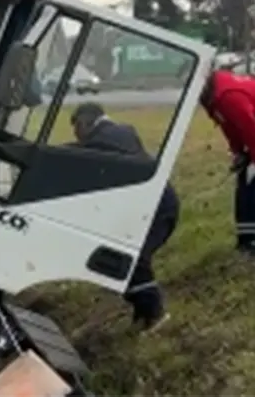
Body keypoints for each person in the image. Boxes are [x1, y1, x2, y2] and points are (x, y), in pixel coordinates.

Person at [69, 102, 178, 332]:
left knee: (132, 258)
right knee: (119, 257)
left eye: (77, 131)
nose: (78, 138)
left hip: (156, 208)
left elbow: (79, 153)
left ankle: (155, 315)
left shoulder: (107, 138)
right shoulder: (119, 134)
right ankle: (142, 315)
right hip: (151, 205)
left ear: (84, 122)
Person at [198, 68, 255, 257]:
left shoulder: (228, 96)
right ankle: (247, 240)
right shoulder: (213, 97)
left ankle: (253, 243)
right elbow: (229, 125)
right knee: (245, 186)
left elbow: (251, 129)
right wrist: (238, 152)